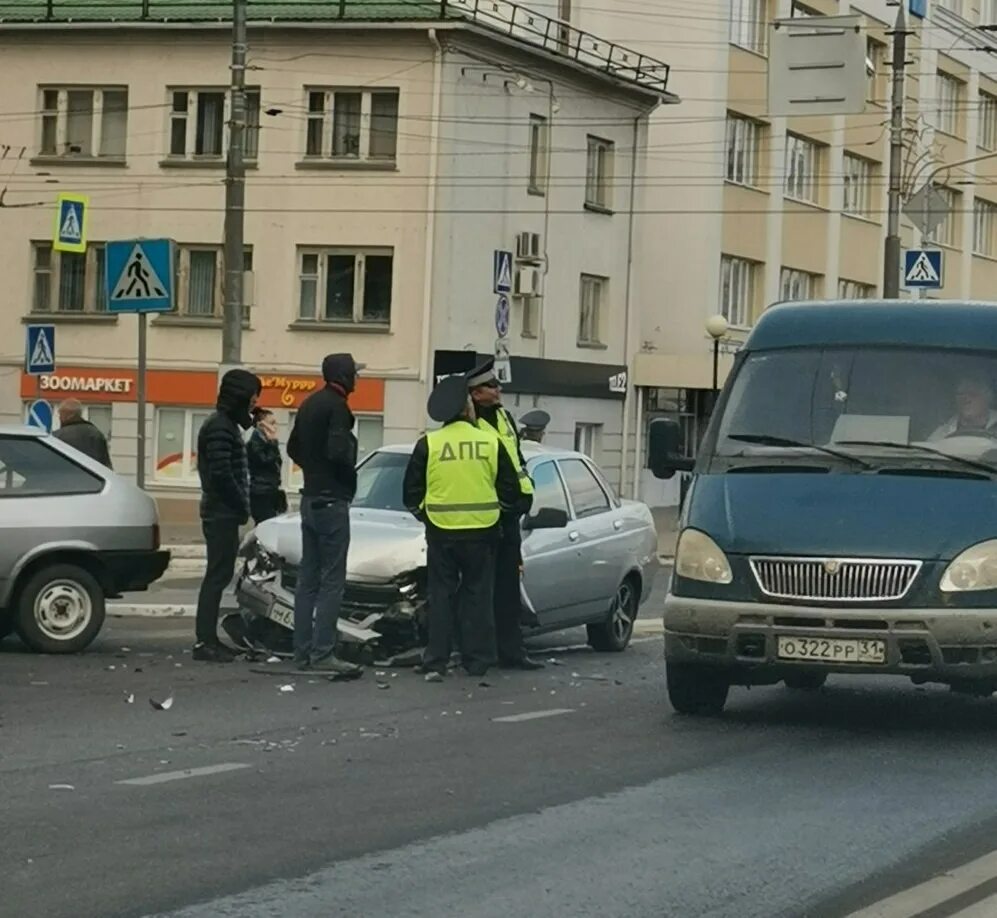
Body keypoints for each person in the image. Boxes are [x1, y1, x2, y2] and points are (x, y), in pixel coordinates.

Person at [403, 374, 522, 681]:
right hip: (482, 532)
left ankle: (436, 660)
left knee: (440, 596)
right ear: (467, 408)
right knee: (477, 597)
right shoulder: (490, 442)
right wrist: (498, 513)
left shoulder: (428, 443)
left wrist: (426, 515)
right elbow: (510, 489)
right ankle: (477, 660)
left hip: (441, 532)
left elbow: (411, 493)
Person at [286, 354, 365, 677]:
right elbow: (338, 452)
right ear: (345, 377)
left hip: (310, 499)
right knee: (332, 581)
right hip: (332, 502)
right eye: (355, 374)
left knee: (307, 580)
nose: (357, 379)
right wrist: (344, 477)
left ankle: (301, 653)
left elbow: (293, 448)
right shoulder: (337, 408)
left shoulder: (308, 404)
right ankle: (324, 653)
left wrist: (313, 471)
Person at [466, 358, 543, 670]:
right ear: (474, 393)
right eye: (490, 386)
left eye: (497, 385)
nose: (497, 390)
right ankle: (483, 651)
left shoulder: (504, 418)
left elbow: (516, 457)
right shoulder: (468, 424)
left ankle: (512, 651)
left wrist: (524, 491)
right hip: (485, 512)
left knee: (508, 585)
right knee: (482, 587)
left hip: (511, 511)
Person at [194, 368, 262, 663]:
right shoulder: (221, 427)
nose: (255, 403)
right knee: (216, 576)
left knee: (218, 574)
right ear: (240, 396)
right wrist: (241, 505)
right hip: (221, 512)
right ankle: (205, 642)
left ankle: (207, 640)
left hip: (220, 511)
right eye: (252, 396)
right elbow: (222, 473)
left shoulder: (224, 424)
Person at [247, 408, 287, 525]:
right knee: (264, 525)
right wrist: (273, 443)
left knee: (270, 525)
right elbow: (265, 461)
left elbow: (276, 464)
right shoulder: (255, 443)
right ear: (261, 425)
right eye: (271, 423)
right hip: (261, 491)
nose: (275, 427)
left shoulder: (266, 442)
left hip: (270, 489)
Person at [930, 373, 997, 440]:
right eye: (961, 394)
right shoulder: (943, 432)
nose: (966, 399)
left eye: (972, 393)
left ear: (987, 398)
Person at [53, 399, 112, 468]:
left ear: (70, 415)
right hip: (92, 477)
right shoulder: (96, 434)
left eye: (61, 414)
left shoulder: (58, 436)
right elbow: (106, 464)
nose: (59, 418)